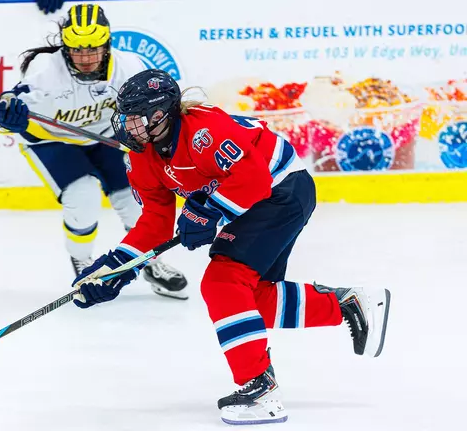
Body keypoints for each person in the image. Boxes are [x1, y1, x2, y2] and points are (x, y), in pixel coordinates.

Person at [71, 69, 392, 425]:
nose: (128, 127)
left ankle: (260, 389)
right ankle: (347, 305)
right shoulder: (142, 156)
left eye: (137, 118)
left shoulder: (204, 129)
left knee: (222, 284)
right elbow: (155, 223)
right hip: (255, 202)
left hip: (282, 190)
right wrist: (114, 269)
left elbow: (253, 178)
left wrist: (208, 212)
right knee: (249, 300)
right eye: (125, 118)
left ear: (162, 114)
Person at [0, 4, 188, 299]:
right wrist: (8, 118)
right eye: (77, 50)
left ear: (107, 44)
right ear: (65, 46)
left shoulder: (128, 68)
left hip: (106, 138)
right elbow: (6, 114)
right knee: (82, 197)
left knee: (137, 201)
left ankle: (149, 260)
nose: (85, 58)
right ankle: (83, 260)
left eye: (93, 49)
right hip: (51, 139)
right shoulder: (44, 70)